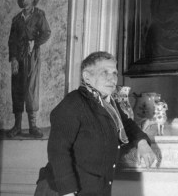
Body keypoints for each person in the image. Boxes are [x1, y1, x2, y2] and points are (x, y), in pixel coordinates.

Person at [34, 51, 157, 196]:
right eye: (104, 72)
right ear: (87, 77)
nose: (112, 79)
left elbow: (128, 125)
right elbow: (58, 151)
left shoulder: (110, 106)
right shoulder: (73, 103)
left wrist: (142, 143)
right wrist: (67, 192)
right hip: (60, 191)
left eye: (114, 73)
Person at [7, 0, 51, 138]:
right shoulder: (16, 19)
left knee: (31, 88)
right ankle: (17, 126)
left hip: (32, 55)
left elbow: (46, 32)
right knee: (17, 88)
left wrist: (35, 42)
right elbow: (11, 40)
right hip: (18, 56)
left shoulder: (39, 14)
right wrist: (13, 58)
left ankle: (33, 126)